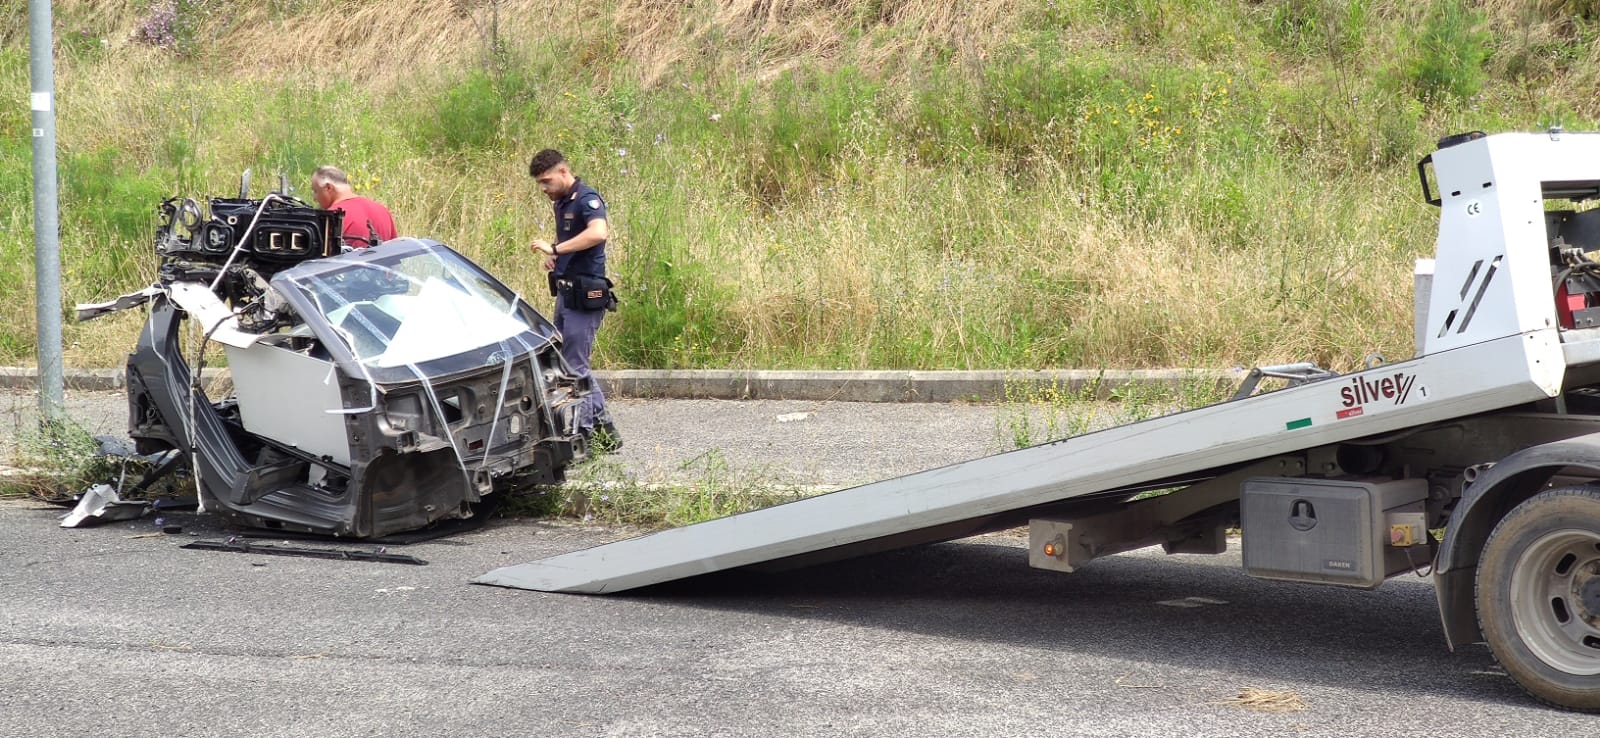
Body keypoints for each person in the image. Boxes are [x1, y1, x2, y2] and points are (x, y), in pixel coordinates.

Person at [528, 149, 621, 451]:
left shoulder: (585, 198)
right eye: (540, 184)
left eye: (547, 181)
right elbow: (574, 245)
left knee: (573, 367)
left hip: (585, 296)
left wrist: (555, 249)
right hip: (566, 292)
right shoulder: (562, 202)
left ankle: (585, 435)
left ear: (564, 172)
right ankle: (604, 432)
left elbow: (598, 233)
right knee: (568, 364)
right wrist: (557, 261)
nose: (544, 189)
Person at [310, 165, 398, 249]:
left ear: (328, 187)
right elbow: (393, 253)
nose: (314, 198)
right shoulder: (382, 210)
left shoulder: (329, 218)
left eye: (315, 191)